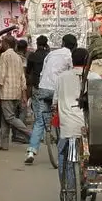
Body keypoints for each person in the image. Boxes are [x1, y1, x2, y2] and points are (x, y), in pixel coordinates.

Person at [55, 47, 100, 201]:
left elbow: (55, 102)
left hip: (68, 128)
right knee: (92, 159)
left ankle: (66, 191)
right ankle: (86, 189)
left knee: (64, 159)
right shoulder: (95, 77)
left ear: (72, 61)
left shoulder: (61, 78)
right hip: (88, 127)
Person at [25, 34, 77, 164]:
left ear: (62, 43)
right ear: (74, 46)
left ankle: (31, 151)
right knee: (64, 117)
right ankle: (64, 150)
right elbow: (72, 74)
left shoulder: (51, 54)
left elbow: (43, 72)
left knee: (39, 122)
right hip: (57, 90)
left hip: (43, 88)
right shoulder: (69, 56)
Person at [0, 36, 31, 151]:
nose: (1, 45)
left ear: (6, 44)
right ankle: (1, 144)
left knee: (9, 118)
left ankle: (30, 133)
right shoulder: (18, 57)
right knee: (5, 119)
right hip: (16, 93)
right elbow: (22, 78)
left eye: (3, 43)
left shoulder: (5, 56)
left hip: (6, 92)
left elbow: (2, 76)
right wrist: (24, 95)